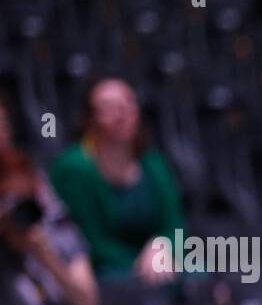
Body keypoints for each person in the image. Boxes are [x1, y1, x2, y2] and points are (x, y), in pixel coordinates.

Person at [0, 97, 206, 305]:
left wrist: (43, 254)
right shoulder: (74, 169)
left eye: (4, 124)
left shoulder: (45, 212)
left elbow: (87, 304)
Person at [48, 78, 186, 284]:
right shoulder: (74, 168)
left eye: (128, 104)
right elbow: (89, 241)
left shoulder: (153, 163)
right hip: (103, 271)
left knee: (204, 279)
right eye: (109, 107)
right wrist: (142, 264)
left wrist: (164, 245)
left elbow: (175, 225)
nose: (121, 114)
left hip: (158, 265)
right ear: (89, 118)